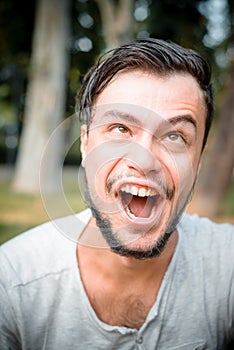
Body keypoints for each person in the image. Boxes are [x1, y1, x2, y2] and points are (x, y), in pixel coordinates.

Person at [0, 38, 234, 350]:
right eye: (121, 129)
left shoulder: (227, 268)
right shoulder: (12, 283)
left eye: (175, 136)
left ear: (198, 162)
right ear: (85, 144)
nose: (145, 161)